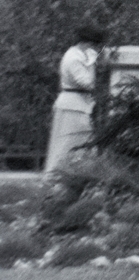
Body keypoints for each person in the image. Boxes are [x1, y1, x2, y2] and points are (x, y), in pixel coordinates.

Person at [45, 22, 105, 175]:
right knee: (68, 143)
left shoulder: (80, 56)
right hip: (72, 105)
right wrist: (92, 63)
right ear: (88, 43)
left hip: (80, 104)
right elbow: (87, 83)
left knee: (82, 142)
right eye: (95, 46)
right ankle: (56, 176)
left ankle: (80, 175)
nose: (96, 50)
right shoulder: (73, 58)